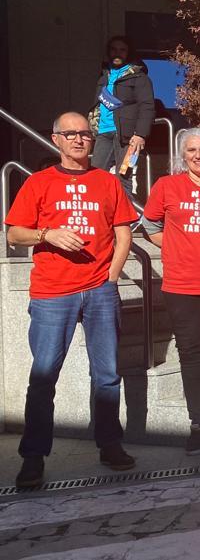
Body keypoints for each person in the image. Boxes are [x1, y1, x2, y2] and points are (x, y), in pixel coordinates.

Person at [7, 111, 138, 488]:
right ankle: (33, 457)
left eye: (85, 134)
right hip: (53, 293)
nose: (79, 139)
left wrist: (110, 280)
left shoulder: (107, 182)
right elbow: (15, 234)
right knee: (44, 376)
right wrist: (47, 234)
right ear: (56, 139)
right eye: (71, 134)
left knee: (108, 375)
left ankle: (110, 444)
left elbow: (123, 233)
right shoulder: (38, 183)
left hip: (99, 290)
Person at [141, 128, 200, 454]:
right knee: (192, 351)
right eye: (191, 150)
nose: (198, 155)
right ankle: (198, 419)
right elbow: (150, 225)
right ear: (182, 156)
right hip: (181, 285)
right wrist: (174, 246)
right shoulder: (167, 185)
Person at [88, 36, 154, 200]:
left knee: (123, 177)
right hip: (103, 133)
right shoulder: (103, 76)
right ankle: (99, 218)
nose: (117, 53)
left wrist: (140, 134)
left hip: (127, 136)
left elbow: (147, 106)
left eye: (122, 49)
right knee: (95, 176)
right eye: (114, 49)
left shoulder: (138, 76)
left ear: (128, 52)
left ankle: (126, 223)